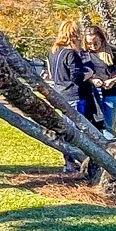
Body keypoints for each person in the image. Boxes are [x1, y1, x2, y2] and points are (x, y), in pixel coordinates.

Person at [45, 19, 90, 177]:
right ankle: (74, 162)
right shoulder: (70, 53)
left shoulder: (54, 52)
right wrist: (89, 74)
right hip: (73, 94)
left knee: (64, 129)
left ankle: (68, 162)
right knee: (74, 130)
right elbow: (76, 76)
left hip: (59, 93)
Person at [83, 27, 116, 139]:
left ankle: (110, 149)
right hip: (91, 95)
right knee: (92, 125)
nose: (93, 46)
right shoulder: (84, 54)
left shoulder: (113, 52)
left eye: (96, 43)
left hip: (110, 94)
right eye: (89, 43)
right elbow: (79, 72)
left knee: (108, 127)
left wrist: (112, 80)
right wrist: (92, 79)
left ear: (102, 39)